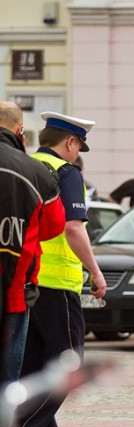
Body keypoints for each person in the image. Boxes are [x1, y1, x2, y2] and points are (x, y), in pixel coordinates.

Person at [15, 111, 107, 427]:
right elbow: (73, 228)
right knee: (70, 367)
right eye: (79, 146)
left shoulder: (25, 166)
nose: (77, 152)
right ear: (70, 142)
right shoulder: (67, 173)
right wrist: (95, 272)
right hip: (58, 285)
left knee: (37, 372)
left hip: (27, 282)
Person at [0, 102, 66, 388]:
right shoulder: (36, 172)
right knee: (7, 384)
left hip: (17, 290)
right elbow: (53, 227)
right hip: (15, 291)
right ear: (20, 131)